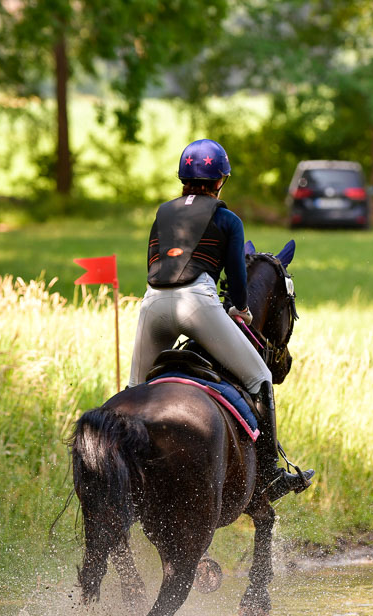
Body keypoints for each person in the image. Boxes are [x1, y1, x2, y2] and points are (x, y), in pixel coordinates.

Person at [129, 138, 313, 502]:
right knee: (260, 376)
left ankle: (128, 476)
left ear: (182, 177)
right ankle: (270, 475)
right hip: (197, 304)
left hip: (151, 306)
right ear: (220, 181)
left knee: (134, 393)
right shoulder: (227, 219)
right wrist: (240, 310)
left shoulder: (162, 214)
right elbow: (236, 280)